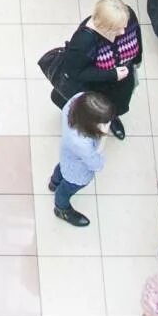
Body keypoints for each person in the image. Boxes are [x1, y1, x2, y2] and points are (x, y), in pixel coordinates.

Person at [53, 0, 145, 139]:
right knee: (95, 111)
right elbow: (75, 72)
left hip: (123, 78)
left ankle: (112, 118)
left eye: (124, 26)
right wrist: (112, 74)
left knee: (118, 104)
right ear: (102, 26)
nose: (123, 31)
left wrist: (137, 58)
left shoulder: (127, 17)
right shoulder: (84, 41)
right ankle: (91, 126)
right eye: (117, 29)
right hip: (97, 86)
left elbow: (136, 35)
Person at [49, 90, 112, 226]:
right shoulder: (82, 142)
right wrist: (103, 141)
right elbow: (96, 164)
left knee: (61, 168)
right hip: (77, 172)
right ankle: (61, 208)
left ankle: (53, 183)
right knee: (66, 189)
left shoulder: (75, 101)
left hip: (67, 156)